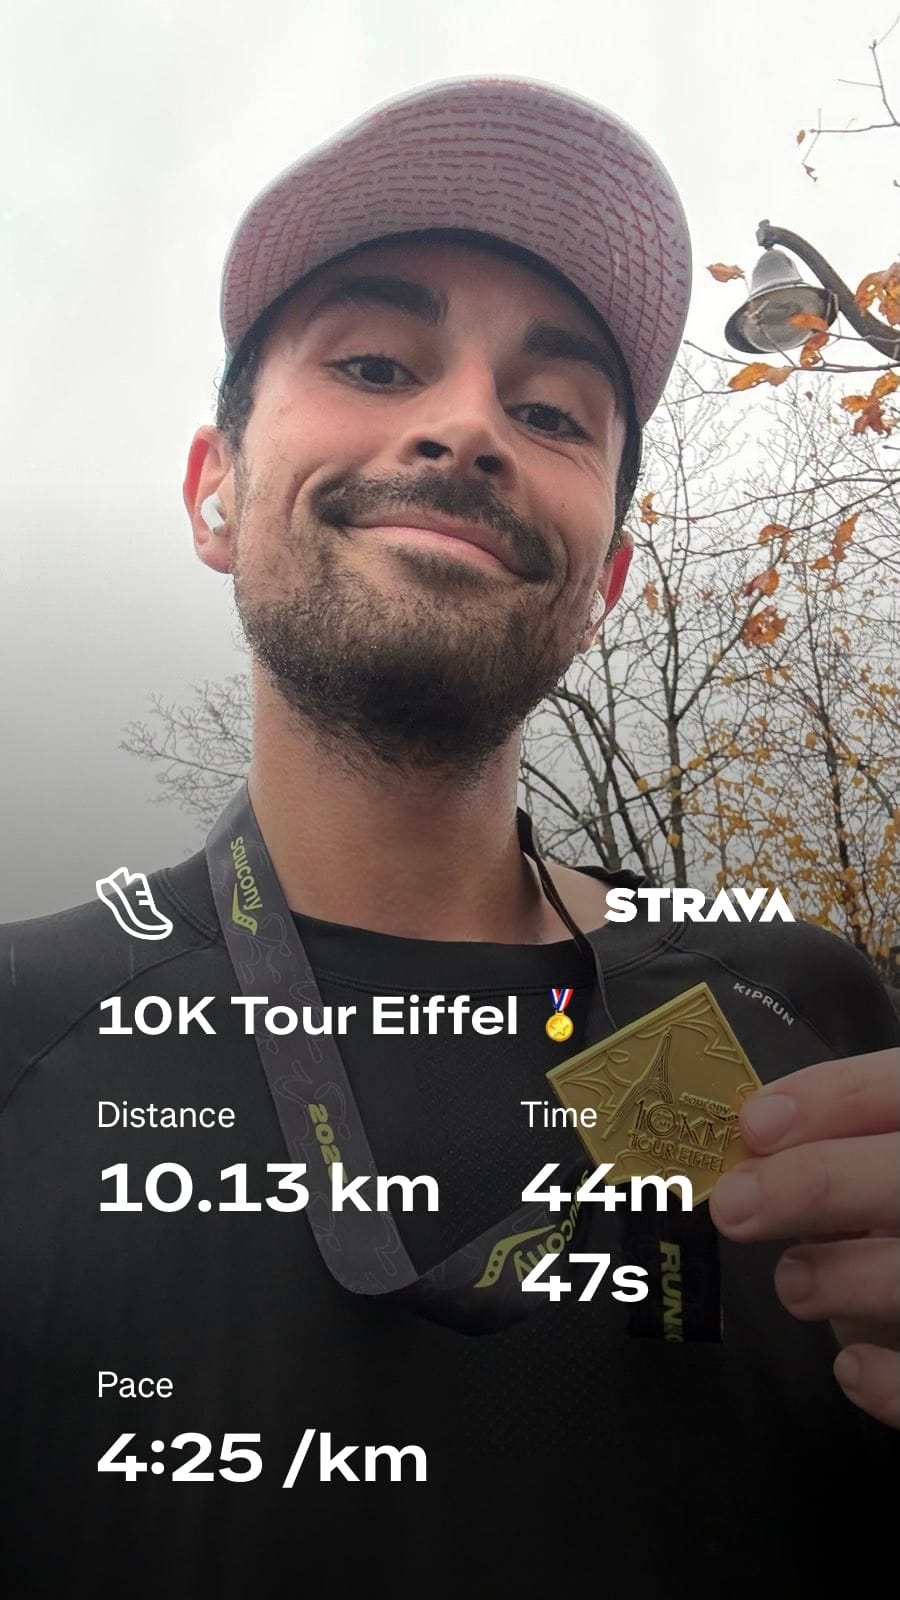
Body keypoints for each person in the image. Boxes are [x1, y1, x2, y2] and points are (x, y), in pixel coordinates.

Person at [2, 77, 898, 1599]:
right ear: (215, 494)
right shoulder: (23, 1029)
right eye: (373, 362)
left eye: (549, 414)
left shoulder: (807, 1014)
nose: (468, 424)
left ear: (604, 584)